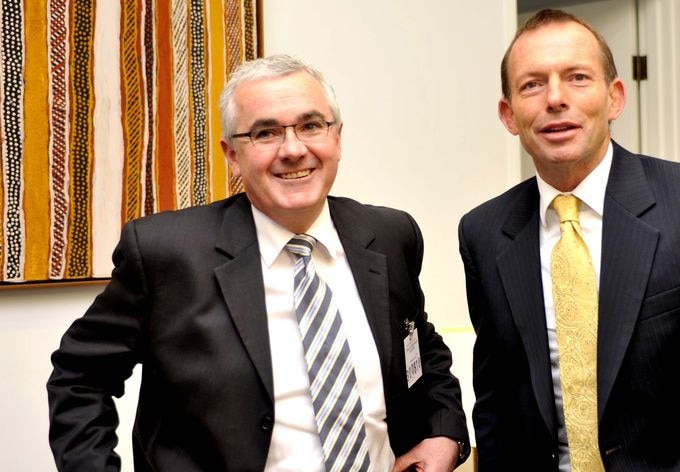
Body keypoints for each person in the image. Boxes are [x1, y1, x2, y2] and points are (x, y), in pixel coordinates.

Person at [48, 54, 469, 472]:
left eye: (310, 126)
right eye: (265, 133)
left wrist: (444, 432)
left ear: (337, 137)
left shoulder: (390, 235)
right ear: (232, 154)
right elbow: (80, 377)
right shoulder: (166, 252)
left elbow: (420, 348)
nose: (293, 149)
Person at [458, 8, 680, 471]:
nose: (555, 98)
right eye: (532, 84)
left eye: (577, 77)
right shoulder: (484, 233)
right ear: (508, 114)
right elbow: (497, 406)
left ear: (615, 99)